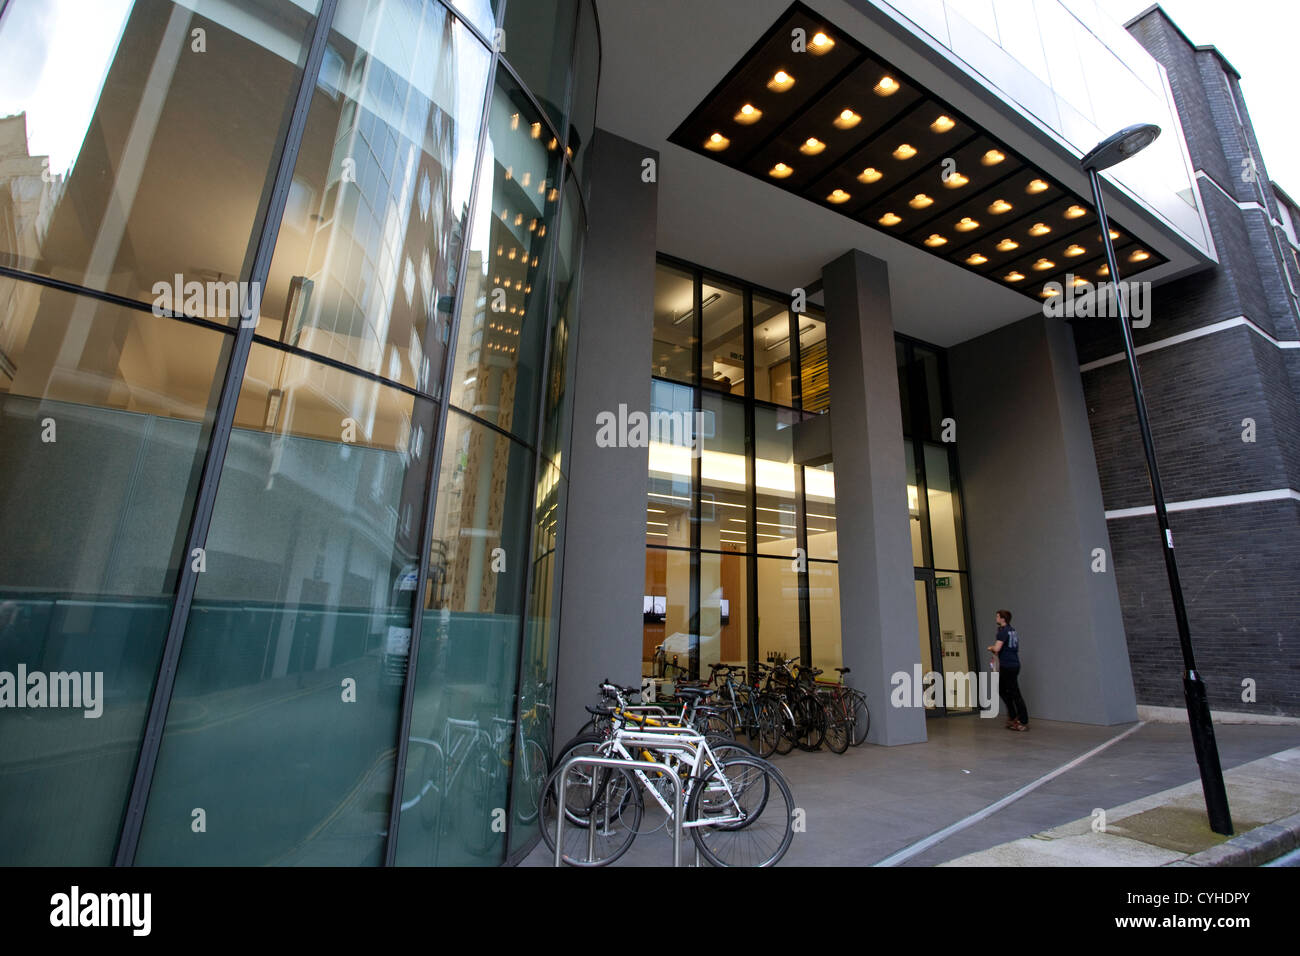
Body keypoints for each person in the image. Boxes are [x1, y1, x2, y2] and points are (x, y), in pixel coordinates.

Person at [988, 609, 1028, 731]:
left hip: (1007, 665)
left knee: (1014, 692)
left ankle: (1021, 719)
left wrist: (990, 648)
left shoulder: (1003, 632)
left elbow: (997, 648)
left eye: (998, 616)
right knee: (1005, 690)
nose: (996, 618)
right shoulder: (1012, 631)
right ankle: (1013, 715)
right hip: (1014, 664)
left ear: (1003, 619)